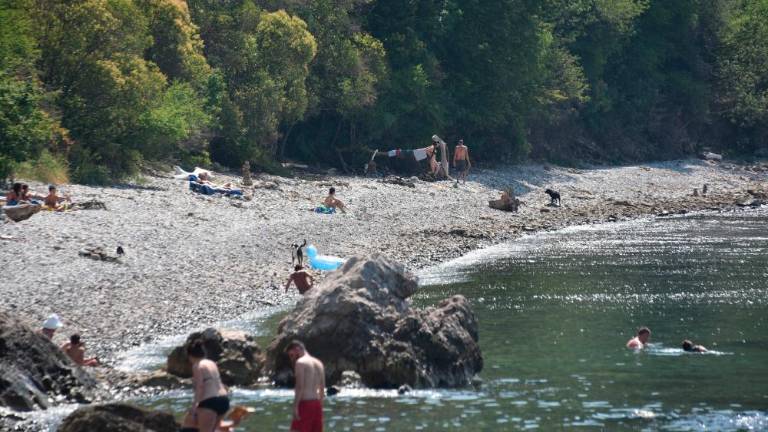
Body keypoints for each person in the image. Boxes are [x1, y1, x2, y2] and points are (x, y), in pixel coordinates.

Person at [183, 340, 230, 432]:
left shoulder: (197, 365)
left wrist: (194, 407)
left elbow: (200, 386)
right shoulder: (212, 363)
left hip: (209, 402)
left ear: (190, 356)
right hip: (224, 400)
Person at [285, 340, 325, 432]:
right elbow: (322, 388)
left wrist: (295, 407)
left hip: (305, 404)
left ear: (297, 349)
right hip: (317, 404)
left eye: (292, 355)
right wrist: (320, 406)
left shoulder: (301, 363)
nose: (292, 359)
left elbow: (300, 386)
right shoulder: (319, 363)